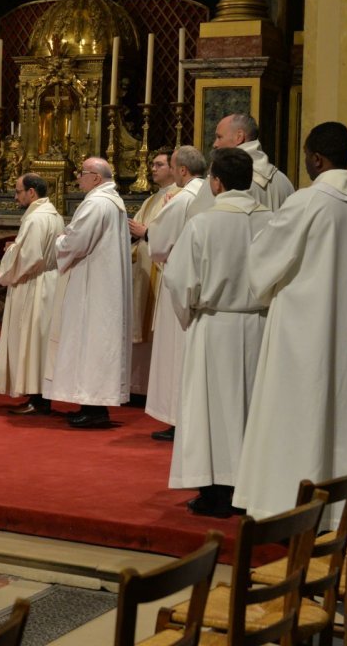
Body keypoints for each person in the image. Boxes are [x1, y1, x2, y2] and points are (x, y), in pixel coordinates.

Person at [233, 122, 347, 520]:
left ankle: (286, 506)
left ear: (317, 158)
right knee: (340, 417)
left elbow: (263, 262)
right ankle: (336, 508)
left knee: (299, 415)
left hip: (303, 333)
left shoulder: (308, 202)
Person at [163, 147, 271, 517]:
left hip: (214, 325)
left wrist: (190, 313)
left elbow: (179, 282)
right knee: (252, 408)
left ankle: (215, 493)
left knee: (212, 411)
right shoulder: (272, 220)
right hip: (261, 325)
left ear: (216, 182)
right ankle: (252, 486)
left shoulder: (203, 224)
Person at [43, 157, 131, 428]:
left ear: (95, 176)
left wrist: (59, 240)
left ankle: (93, 409)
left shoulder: (95, 203)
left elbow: (76, 241)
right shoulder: (113, 202)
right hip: (102, 284)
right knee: (96, 344)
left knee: (90, 343)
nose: (77, 178)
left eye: (81, 174)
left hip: (93, 286)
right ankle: (93, 406)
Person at [143, 145, 206, 441]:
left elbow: (157, 242)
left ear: (181, 170)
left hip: (178, 280)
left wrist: (145, 233)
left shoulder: (182, 199)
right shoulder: (207, 193)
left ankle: (176, 417)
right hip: (198, 280)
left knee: (174, 352)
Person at [0, 173, 64, 415]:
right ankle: (41, 396)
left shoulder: (35, 219)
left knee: (32, 341)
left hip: (34, 284)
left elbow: (30, 257)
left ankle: (37, 398)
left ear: (31, 193)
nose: (16, 197)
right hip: (50, 282)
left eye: (18, 192)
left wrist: (11, 250)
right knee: (41, 342)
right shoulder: (55, 216)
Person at [126, 148, 175, 398]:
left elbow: (173, 237)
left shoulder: (178, 197)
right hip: (143, 269)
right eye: (152, 165)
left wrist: (145, 232)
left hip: (160, 272)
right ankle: (138, 386)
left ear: (174, 167)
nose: (152, 169)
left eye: (159, 165)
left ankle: (150, 389)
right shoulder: (151, 199)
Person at [189, 113, 294, 217]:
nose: (215, 144)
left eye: (219, 137)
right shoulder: (283, 181)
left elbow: (198, 222)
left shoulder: (222, 175)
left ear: (239, 137)